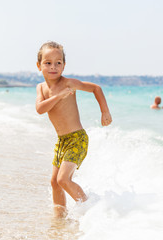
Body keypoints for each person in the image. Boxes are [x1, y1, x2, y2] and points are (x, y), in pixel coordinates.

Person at [35, 41, 112, 217]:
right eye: (48, 63)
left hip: (77, 139)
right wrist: (58, 97)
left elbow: (95, 88)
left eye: (58, 63)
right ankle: (59, 219)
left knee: (63, 179)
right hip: (62, 141)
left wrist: (104, 111)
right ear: (39, 66)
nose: (53, 67)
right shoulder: (41, 87)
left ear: (64, 65)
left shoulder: (69, 83)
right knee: (54, 182)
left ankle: (91, 211)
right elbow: (40, 109)